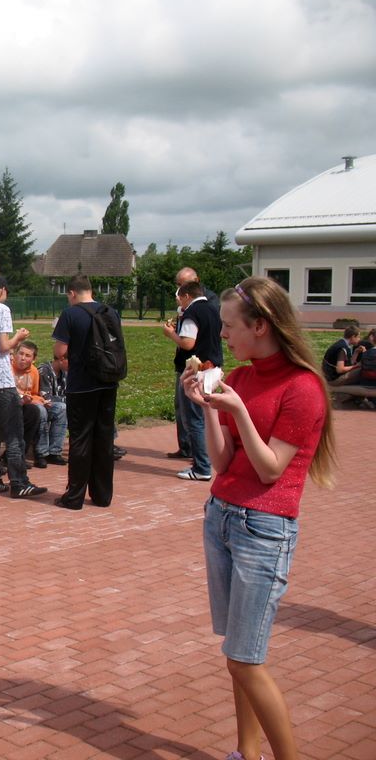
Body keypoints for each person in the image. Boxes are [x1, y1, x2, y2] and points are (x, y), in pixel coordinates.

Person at [182, 277, 333, 760]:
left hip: (264, 529)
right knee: (236, 654)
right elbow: (222, 463)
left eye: (230, 326)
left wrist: (239, 411)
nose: (222, 335)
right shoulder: (242, 379)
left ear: (261, 326)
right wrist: (208, 408)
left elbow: (270, 469)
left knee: (245, 660)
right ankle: (247, 752)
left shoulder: (303, 387)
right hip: (222, 518)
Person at [0, 275, 47, 499]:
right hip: (1, 379)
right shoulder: (2, 310)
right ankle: (19, 482)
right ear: (3, 290)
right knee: (14, 433)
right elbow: (5, 346)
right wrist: (19, 337)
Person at [51, 275, 119, 510]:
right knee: (104, 438)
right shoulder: (110, 312)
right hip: (108, 380)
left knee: (80, 439)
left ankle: (75, 496)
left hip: (81, 384)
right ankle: (102, 495)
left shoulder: (70, 314)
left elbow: (60, 350)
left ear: (72, 293)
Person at [164, 280, 223, 482]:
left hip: (197, 371)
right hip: (213, 367)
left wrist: (171, 334)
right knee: (205, 417)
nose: (179, 303)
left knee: (194, 419)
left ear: (187, 296)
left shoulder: (193, 312)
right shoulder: (213, 309)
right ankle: (207, 460)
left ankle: (201, 467)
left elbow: (188, 343)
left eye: (180, 298)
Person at [11, 340, 47, 467]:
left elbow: (34, 393)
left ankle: (42, 453)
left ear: (33, 359)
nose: (23, 358)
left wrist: (40, 400)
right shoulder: (8, 368)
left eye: (27, 356)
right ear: (15, 354)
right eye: (21, 354)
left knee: (41, 410)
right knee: (37, 411)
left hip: (26, 404)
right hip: (10, 404)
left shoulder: (34, 371)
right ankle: (22, 455)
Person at [36, 352, 68, 466]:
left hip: (56, 405)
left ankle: (55, 452)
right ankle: (42, 453)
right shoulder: (44, 370)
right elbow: (46, 396)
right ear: (62, 359)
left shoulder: (65, 373)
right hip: (41, 404)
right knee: (61, 408)